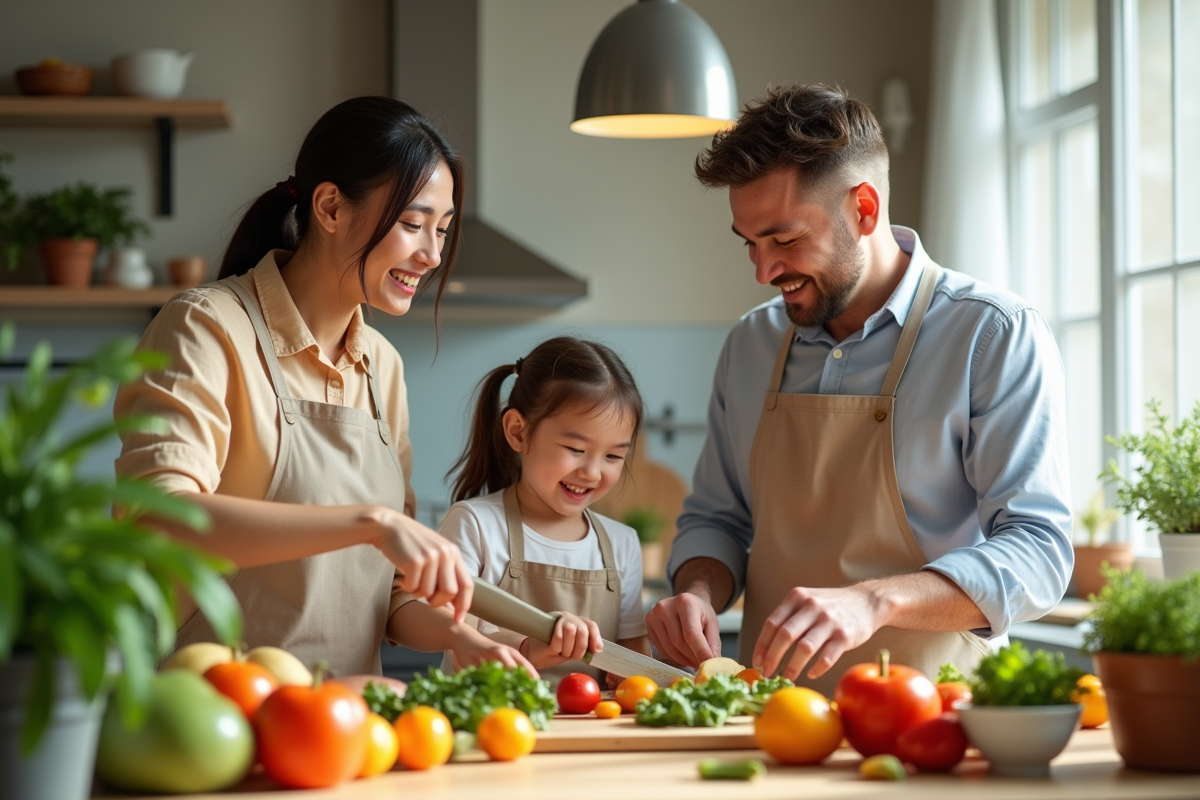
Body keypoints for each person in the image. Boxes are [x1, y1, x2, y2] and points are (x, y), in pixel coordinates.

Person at [646, 85, 1072, 696]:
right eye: (750, 243)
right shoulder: (750, 344)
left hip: (936, 717)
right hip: (774, 719)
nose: (764, 271)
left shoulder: (991, 334)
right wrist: (696, 591)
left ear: (864, 209)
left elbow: (1039, 552)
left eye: (784, 240)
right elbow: (718, 518)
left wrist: (874, 600)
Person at [115, 96, 499, 681]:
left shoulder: (382, 365)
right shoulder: (206, 326)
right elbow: (159, 520)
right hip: (215, 714)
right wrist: (372, 523)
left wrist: (461, 637)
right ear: (330, 207)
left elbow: (392, 589)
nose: (432, 254)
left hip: (346, 722)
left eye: (442, 230)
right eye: (413, 224)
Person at [392, 337, 651, 685]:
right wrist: (528, 648)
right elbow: (454, 637)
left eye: (614, 456)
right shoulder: (476, 525)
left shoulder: (623, 543)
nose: (592, 472)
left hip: (591, 721)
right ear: (518, 432)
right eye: (575, 449)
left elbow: (634, 663)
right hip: (493, 714)